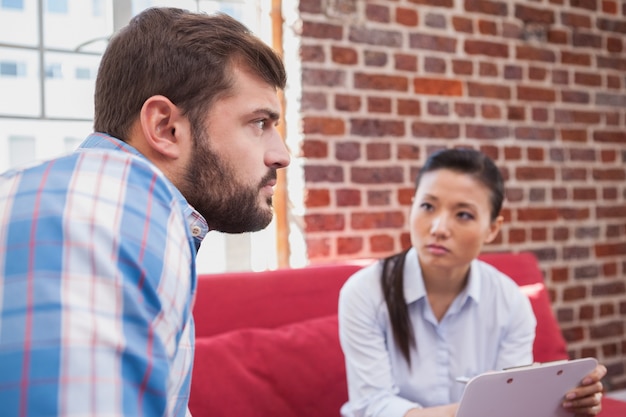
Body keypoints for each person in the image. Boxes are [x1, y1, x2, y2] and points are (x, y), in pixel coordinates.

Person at [0, 7, 289, 417]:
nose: (282, 155)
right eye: (259, 123)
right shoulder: (127, 207)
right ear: (165, 127)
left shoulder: (22, 188)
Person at [338, 148, 606, 417]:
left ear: (492, 229)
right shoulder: (365, 292)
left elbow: (511, 400)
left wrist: (565, 403)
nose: (439, 228)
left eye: (463, 214)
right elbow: (373, 406)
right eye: (427, 206)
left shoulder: (510, 301)